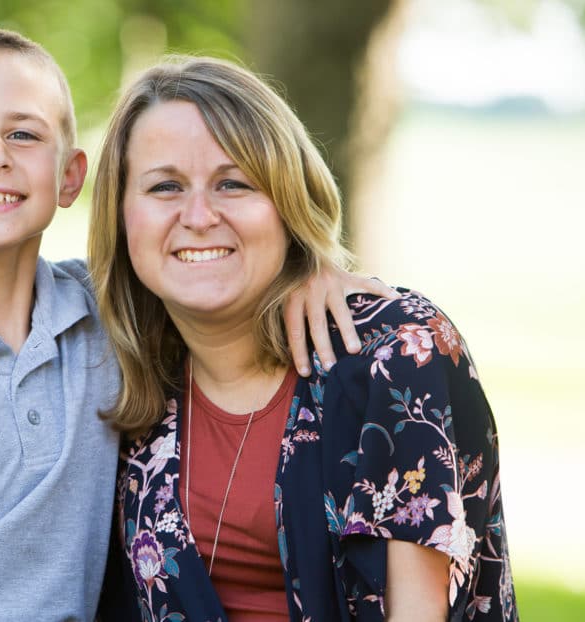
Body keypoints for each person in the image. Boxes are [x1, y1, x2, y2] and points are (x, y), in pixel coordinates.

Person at [0, 29, 393, 622]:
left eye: (24, 134)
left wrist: (312, 268)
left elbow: (217, 273)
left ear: (70, 176)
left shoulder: (109, 314)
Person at [90, 56, 516, 621]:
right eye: (165, 186)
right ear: (121, 214)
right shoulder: (111, 363)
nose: (198, 215)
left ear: (287, 203)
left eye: (234, 183)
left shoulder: (394, 353)